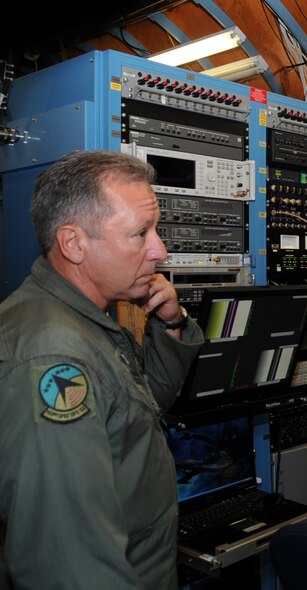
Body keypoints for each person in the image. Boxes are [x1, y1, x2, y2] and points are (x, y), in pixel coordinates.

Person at [0, 150, 205, 588]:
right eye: (140, 233)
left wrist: (170, 324)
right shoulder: (54, 355)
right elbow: (67, 562)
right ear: (73, 243)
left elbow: (138, 413)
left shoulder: (85, 318)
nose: (160, 251)